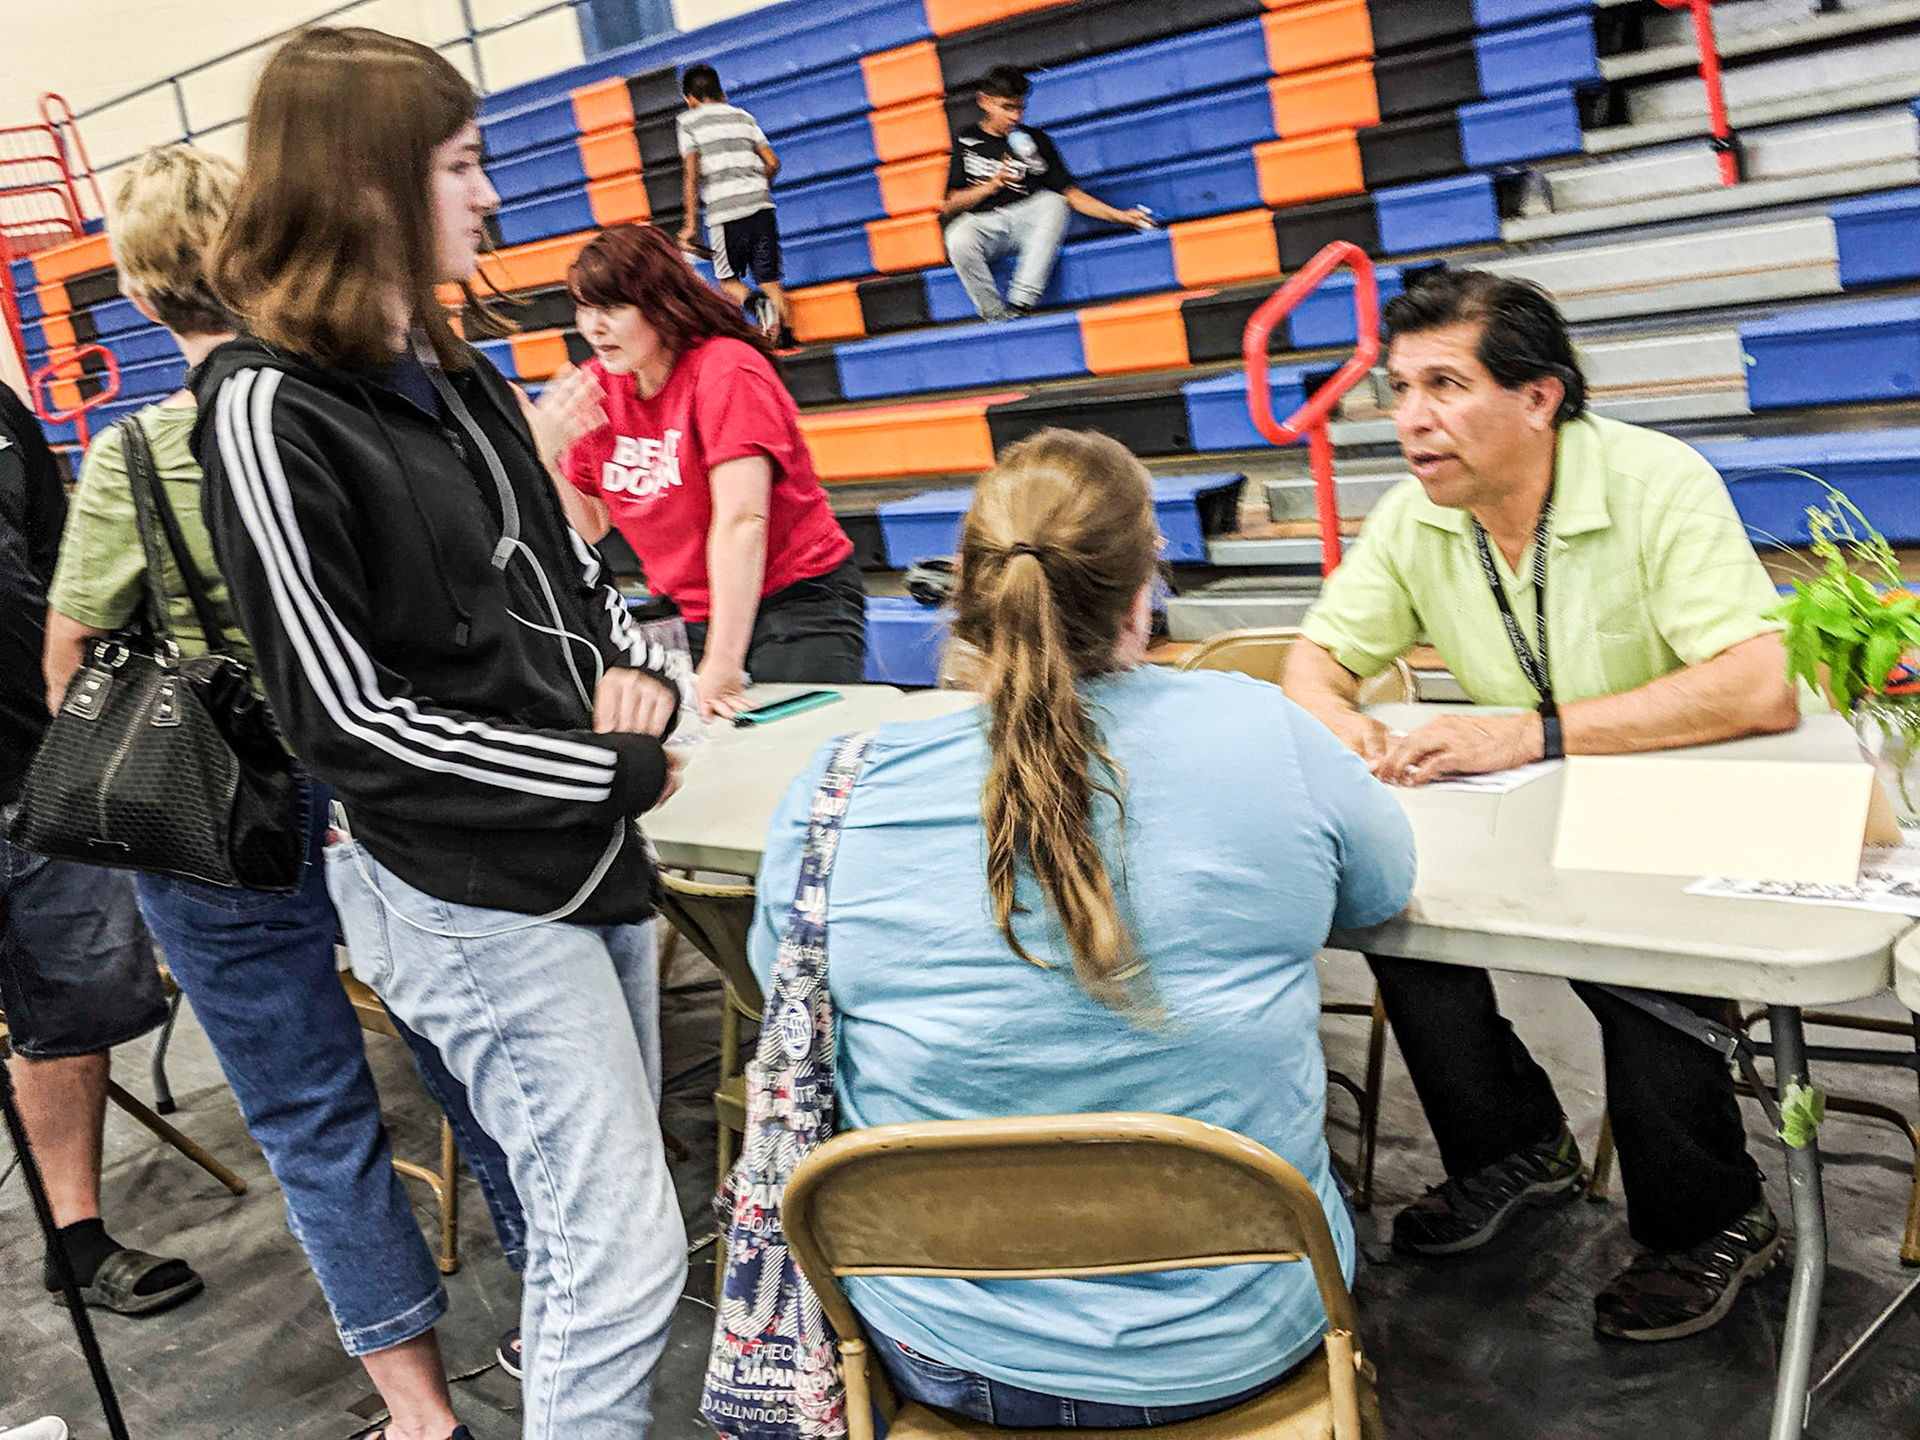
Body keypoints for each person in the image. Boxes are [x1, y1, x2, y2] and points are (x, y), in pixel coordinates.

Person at [192, 28, 687, 1439]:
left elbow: (560, 576)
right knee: (625, 1251)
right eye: (460, 166)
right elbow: (340, 714)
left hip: (582, 858)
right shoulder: (266, 406)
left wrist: (631, 668)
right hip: (467, 889)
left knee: (615, 1229)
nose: (487, 195)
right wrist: (601, 763)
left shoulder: (456, 371)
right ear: (364, 181)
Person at [750, 428, 1415, 1420]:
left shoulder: (833, 801)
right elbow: (1381, 890)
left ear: (965, 595)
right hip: (1244, 1333)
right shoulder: (1268, 734)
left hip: (946, 1351)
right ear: (1145, 589)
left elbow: (790, 995)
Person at [44, 143, 530, 1440]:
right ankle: (560, 1327)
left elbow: (69, 668)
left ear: (143, 300)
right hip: (384, 786)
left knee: (313, 1115)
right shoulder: (340, 411)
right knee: (476, 1073)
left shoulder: (134, 456)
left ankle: (420, 1414)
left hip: (214, 819)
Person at [1283, 269, 1801, 1342]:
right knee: (1387, 897)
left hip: (1685, 810)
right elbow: (1313, 668)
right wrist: (1349, 728)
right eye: (1397, 388)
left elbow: (1759, 684)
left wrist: (1533, 730)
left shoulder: (1657, 481)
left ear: (1539, 397)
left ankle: (1712, 1220)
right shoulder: (1414, 515)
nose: (1411, 419)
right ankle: (1513, 1148)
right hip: (1527, 804)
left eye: (1443, 384)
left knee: (1637, 959)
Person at [0, 378, 200, 1319]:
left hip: (39, 773)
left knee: (71, 1008)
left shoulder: (1, 412)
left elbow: (58, 565)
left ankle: (75, 1238)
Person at [537, 222, 864, 721]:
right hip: (692, 614)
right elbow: (591, 525)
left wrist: (722, 662)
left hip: (797, 600)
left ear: (661, 303)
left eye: (612, 308)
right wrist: (546, 455)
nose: (592, 327)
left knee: (795, 750)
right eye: (584, 308)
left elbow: (742, 521)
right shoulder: (598, 386)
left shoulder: (726, 370)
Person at [940, 64, 1152, 322]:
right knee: (958, 238)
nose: (1015, 116)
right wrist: (993, 184)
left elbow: (1070, 194)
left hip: (1027, 219)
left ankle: (1021, 303)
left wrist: (1120, 216)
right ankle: (995, 317)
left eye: (1020, 108)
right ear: (984, 102)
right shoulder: (966, 140)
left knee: (1054, 201)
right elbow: (950, 204)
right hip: (986, 223)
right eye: (1007, 108)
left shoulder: (1036, 140)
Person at [675, 63, 791, 345]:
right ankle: (786, 339)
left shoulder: (688, 122)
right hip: (761, 207)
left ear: (690, 99)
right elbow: (773, 162)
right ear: (722, 94)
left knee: (728, 280)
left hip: (725, 213)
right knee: (770, 279)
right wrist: (759, 188)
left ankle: (758, 306)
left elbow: (691, 174)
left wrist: (690, 225)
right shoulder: (744, 118)